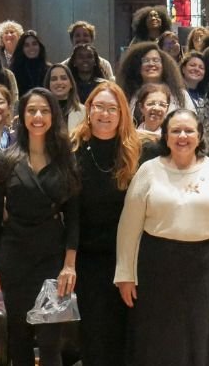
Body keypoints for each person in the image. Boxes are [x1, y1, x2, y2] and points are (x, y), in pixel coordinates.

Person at [114, 109, 209, 366]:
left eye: (189, 131)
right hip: (156, 267)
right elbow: (129, 227)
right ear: (165, 136)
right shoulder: (148, 170)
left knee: (200, 337)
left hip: (204, 269)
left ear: (200, 136)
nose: (182, 136)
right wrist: (125, 275)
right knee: (157, 338)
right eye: (175, 131)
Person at [0, 88, 80, 366]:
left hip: (52, 258)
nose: (38, 116)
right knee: (19, 337)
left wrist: (69, 264)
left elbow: (74, 216)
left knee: (50, 342)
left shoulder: (66, 159)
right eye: (32, 110)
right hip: (13, 259)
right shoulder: (6, 159)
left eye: (45, 111)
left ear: (54, 116)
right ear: (22, 116)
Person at [71, 82, 140, 366]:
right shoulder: (73, 149)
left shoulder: (137, 151)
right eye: (99, 107)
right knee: (94, 337)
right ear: (88, 110)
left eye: (113, 108)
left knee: (126, 335)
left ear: (122, 114)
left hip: (128, 259)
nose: (105, 114)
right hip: (87, 261)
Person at [118, 41, 191, 117]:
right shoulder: (128, 96)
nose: (151, 64)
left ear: (164, 65)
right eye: (146, 61)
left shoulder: (180, 95)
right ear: (137, 66)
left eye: (156, 60)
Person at [9, 30, 51, 95]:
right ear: (22, 49)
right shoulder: (14, 70)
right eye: (27, 45)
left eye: (34, 44)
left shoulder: (49, 69)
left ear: (40, 46)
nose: (31, 48)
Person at [46, 63, 85, 128]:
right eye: (54, 79)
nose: (59, 82)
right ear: (48, 85)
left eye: (63, 78)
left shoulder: (83, 111)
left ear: (71, 84)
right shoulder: (41, 110)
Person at [179, 52, 209, 119]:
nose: (196, 69)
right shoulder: (173, 92)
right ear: (183, 69)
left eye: (201, 68)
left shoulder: (204, 96)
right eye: (192, 65)